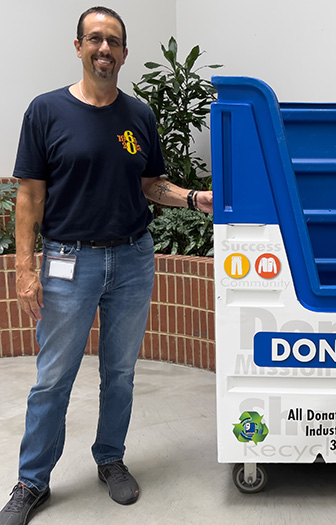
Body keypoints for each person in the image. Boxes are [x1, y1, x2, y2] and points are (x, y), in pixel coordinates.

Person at [0, 7, 212, 525]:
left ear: (123, 53)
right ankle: (32, 480)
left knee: (120, 371)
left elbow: (150, 184)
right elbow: (28, 196)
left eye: (113, 41)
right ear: (78, 47)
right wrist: (24, 270)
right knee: (53, 378)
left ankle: (110, 458)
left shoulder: (139, 116)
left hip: (133, 259)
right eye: (94, 39)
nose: (104, 49)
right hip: (68, 261)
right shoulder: (46, 111)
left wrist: (192, 198)